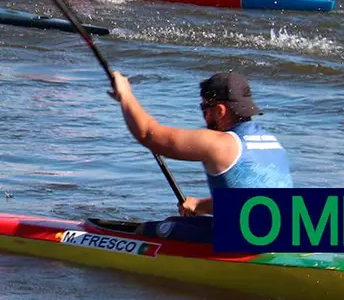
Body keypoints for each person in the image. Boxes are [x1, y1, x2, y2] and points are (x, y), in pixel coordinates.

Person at [111, 71, 293, 220]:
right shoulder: (272, 143)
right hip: (289, 231)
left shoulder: (220, 144)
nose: (204, 117)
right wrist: (200, 205)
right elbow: (252, 202)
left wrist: (126, 95)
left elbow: (148, 135)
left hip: (249, 246)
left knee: (168, 226)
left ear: (220, 111)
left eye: (204, 108)